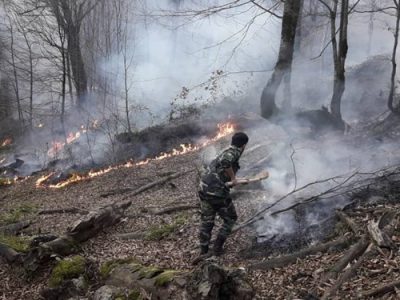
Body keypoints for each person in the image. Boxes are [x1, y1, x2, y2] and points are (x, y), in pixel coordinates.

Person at [198, 132, 249, 256]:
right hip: (217, 193)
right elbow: (226, 162)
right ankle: (217, 248)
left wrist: (234, 181)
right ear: (243, 145)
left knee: (207, 221)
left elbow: (220, 170)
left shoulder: (226, 150)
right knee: (231, 218)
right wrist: (233, 178)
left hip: (204, 189)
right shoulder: (234, 152)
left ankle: (203, 251)